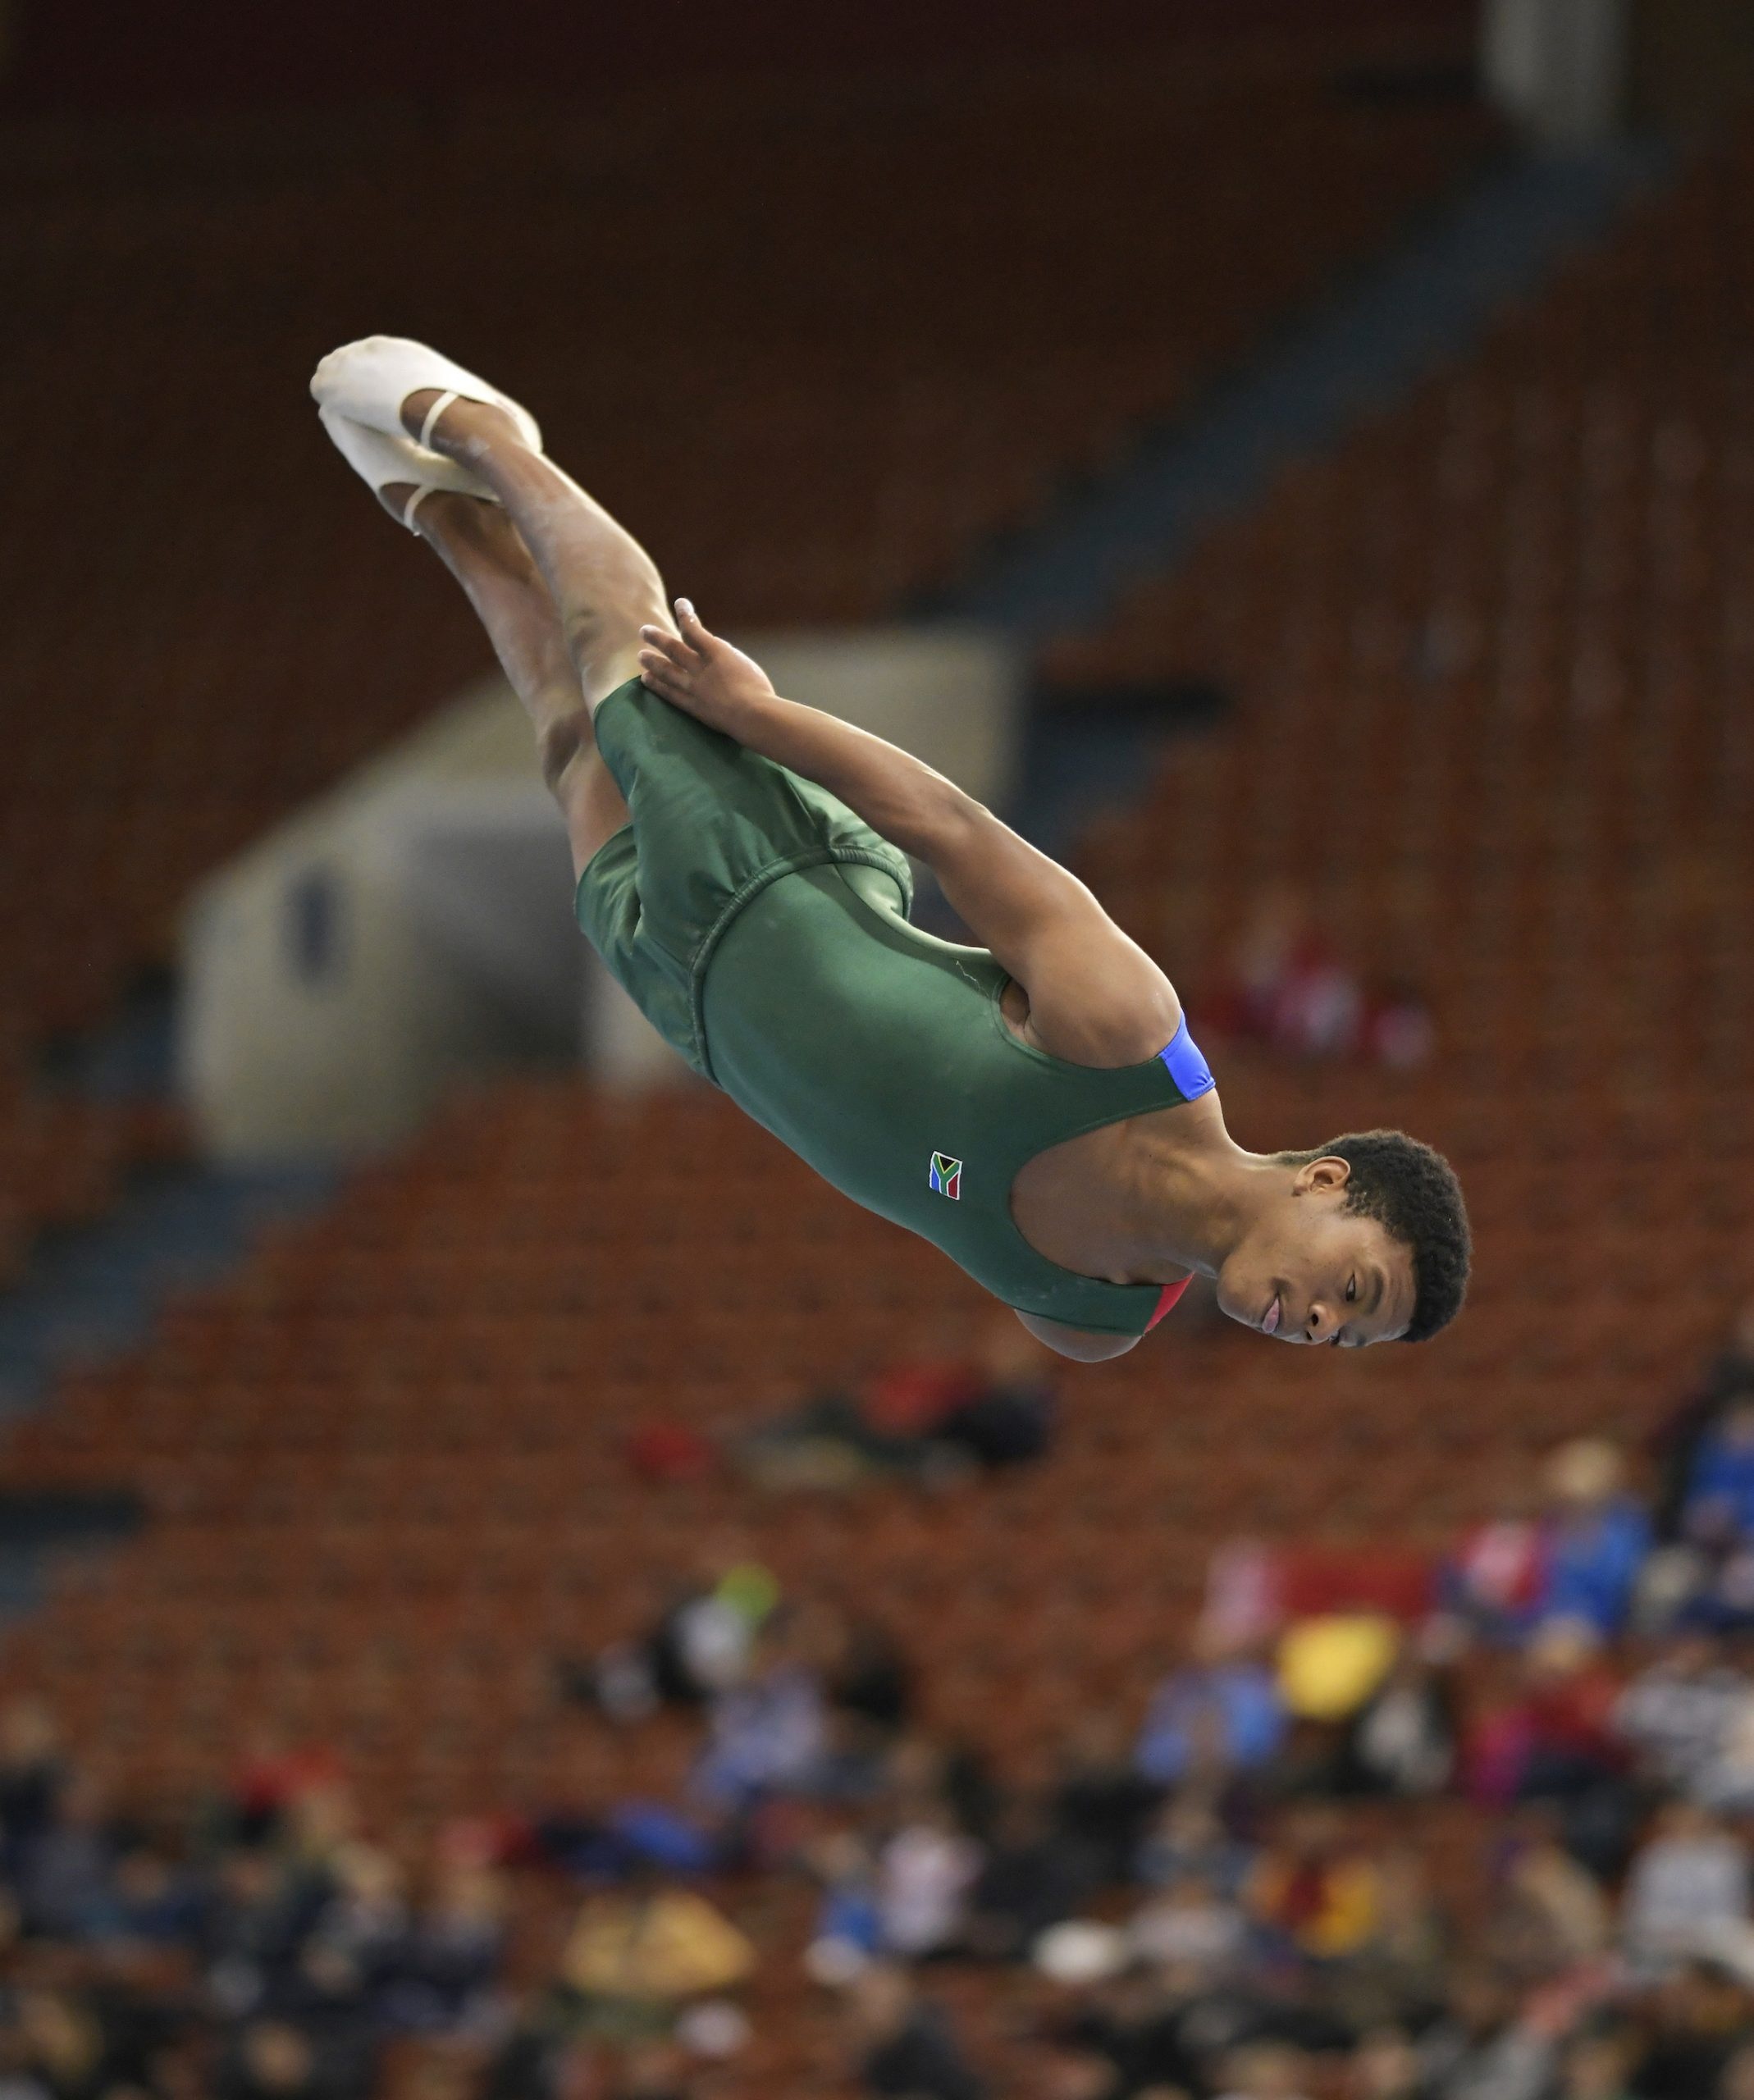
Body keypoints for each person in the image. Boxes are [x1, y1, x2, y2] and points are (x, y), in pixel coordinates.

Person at [310, 339, 1469, 1363]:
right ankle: (489, 440)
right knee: (625, 655)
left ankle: (441, 513)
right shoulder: (1126, 1036)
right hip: (772, 886)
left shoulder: (1086, 1319)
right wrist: (756, 718)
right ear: (1324, 1181)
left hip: (698, 1010)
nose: (1317, 1324)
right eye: (1349, 1286)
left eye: (1343, 1337)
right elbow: (947, 827)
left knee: (569, 742)